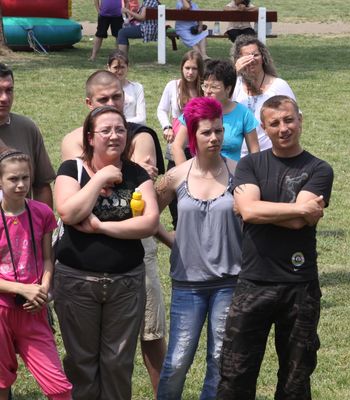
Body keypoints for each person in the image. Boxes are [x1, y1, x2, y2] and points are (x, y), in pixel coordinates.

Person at [217, 96, 333, 399]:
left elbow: (294, 222)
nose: (283, 128)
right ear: (264, 128)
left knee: (296, 380)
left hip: (300, 287)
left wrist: (257, 209)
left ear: (300, 120)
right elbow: (251, 211)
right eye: (275, 123)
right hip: (253, 282)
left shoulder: (319, 169)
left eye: (289, 120)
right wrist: (298, 208)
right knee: (235, 376)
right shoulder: (251, 164)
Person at [60, 70, 167, 397]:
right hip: (77, 282)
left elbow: (148, 222)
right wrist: (100, 178)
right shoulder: (72, 170)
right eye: (105, 130)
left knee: (118, 363)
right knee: (81, 362)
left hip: (125, 282)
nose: (114, 136)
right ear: (90, 137)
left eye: (120, 130)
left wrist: (101, 227)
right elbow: (68, 212)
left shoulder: (137, 174)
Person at [155, 97, 241, 399]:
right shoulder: (176, 176)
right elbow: (149, 215)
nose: (214, 137)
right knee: (177, 360)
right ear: (193, 135)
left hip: (229, 282)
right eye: (206, 132)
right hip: (187, 284)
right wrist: (172, 241)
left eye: (219, 130)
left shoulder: (239, 173)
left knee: (219, 359)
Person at [0, 150, 72, 400]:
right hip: (2, 309)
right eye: (13, 179)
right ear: (0, 181)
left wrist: (43, 289)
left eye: (25, 177)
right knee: (1, 382)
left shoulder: (42, 213)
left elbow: (48, 259)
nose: (21, 185)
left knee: (59, 386)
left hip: (34, 309)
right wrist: (21, 289)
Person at [172, 58, 260, 165]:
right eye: (205, 86)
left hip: (233, 172)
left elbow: (255, 152)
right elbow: (177, 146)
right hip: (201, 172)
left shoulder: (243, 114)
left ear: (228, 89)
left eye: (214, 87)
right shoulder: (194, 110)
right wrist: (185, 173)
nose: (208, 91)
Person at [157, 50, 203, 228]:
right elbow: (162, 110)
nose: (190, 72)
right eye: (187, 68)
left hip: (197, 144)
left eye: (194, 69)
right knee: (173, 181)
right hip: (177, 142)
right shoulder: (173, 86)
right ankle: (177, 222)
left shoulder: (204, 89)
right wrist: (166, 126)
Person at [231, 35, 295, 157]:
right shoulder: (234, 84)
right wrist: (234, 72)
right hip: (237, 156)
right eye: (246, 56)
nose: (251, 59)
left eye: (255, 55)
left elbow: (294, 119)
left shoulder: (279, 85)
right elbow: (218, 106)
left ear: (263, 58)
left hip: (271, 154)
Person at [0, 63, 54, 208]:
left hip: (21, 221)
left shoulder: (27, 128)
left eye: (9, 90)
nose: (4, 98)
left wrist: (44, 221)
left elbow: (41, 186)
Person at [107, 50, 146, 125]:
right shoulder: (103, 89)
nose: (119, 71)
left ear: (128, 67)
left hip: (133, 128)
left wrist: (120, 123)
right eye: (115, 67)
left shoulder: (137, 88)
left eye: (122, 67)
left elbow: (142, 119)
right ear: (109, 67)